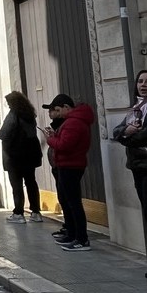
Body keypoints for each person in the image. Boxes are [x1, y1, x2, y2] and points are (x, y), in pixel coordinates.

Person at [45, 93, 95, 252]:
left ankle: (81, 239)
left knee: (73, 203)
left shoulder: (74, 122)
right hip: (68, 165)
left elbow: (65, 145)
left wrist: (50, 139)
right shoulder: (72, 121)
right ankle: (73, 234)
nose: (57, 114)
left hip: (71, 166)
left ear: (67, 107)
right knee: (68, 201)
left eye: (59, 110)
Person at [112, 69, 147, 277]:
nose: (143, 84)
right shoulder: (136, 108)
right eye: (140, 81)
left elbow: (144, 135)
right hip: (137, 166)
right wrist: (126, 133)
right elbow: (118, 131)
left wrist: (127, 137)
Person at [0, 91, 43, 224]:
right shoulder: (30, 114)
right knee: (31, 182)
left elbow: (4, 134)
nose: (8, 106)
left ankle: (18, 213)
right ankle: (36, 212)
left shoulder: (13, 115)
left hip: (15, 156)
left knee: (17, 185)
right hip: (30, 155)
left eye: (9, 103)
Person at [42, 102, 68, 239]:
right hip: (57, 165)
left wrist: (50, 138)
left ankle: (73, 231)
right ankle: (68, 226)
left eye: (54, 110)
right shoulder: (58, 125)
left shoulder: (66, 124)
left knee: (68, 199)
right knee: (63, 197)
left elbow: (62, 144)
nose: (50, 113)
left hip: (64, 166)